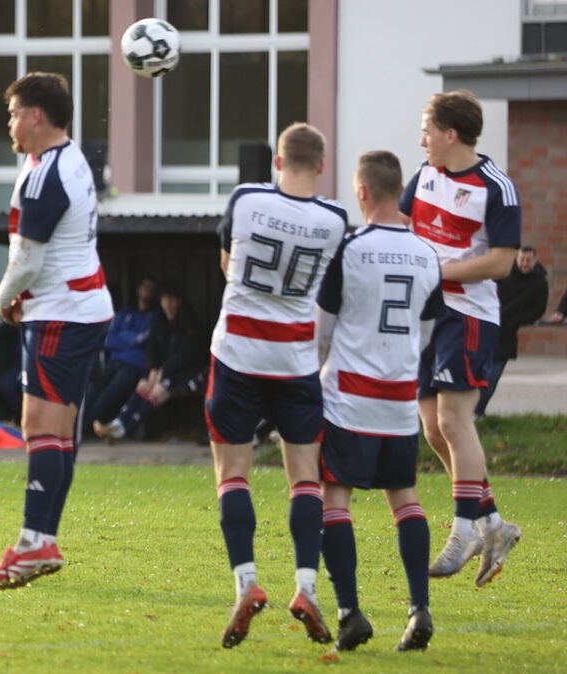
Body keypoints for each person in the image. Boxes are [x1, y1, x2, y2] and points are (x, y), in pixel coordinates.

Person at [207, 122, 347, 648]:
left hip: (238, 352)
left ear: (277, 162)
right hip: (294, 359)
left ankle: (246, 582)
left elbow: (228, 264)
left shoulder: (247, 199)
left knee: (232, 474)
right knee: (305, 477)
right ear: (322, 166)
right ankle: (306, 587)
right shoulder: (335, 218)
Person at [0, 72, 113, 591]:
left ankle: (35, 542)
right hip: (82, 306)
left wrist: (3, 298)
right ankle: (42, 540)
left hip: (60, 312)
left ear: (36, 116)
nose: (10, 123)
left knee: (39, 428)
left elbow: (29, 261)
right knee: (59, 431)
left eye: (14, 114)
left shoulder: (44, 175)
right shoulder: (70, 157)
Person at [316, 150, 445, 653]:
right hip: (399, 399)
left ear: (362, 191)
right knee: (405, 498)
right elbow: (427, 334)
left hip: (349, 396)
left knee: (335, 499)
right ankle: (419, 609)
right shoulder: (427, 254)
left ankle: (349, 612)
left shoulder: (349, 250)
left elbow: (322, 332)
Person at [399, 90, 523, 586]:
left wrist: (438, 271)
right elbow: (402, 229)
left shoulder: (496, 187)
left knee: (453, 419)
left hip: (468, 315)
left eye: (427, 131)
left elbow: (503, 262)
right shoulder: (423, 175)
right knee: (432, 428)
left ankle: (464, 530)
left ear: (451, 134)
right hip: (425, 315)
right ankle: (493, 523)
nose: (421, 140)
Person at [93, 286, 206, 441]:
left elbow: (186, 355)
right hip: (160, 371)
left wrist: (163, 370)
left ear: (179, 301)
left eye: (172, 299)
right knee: (143, 385)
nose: (168, 303)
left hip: (184, 372)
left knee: (156, 391)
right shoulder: (159, 321)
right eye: (165, 299)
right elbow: (151, 349)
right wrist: (152, 369)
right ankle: (119, 423)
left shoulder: (189, 322)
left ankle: (124, 429)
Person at [475, 246, 547, 417]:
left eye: (528, 260)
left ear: (535, 260)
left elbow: (538, 310)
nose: (525, 263)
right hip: (486, 330)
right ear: (516, 259)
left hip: (507, 334)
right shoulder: (503, 274)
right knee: (476, 376)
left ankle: (478, 412)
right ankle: (469, 412)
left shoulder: (539, 283)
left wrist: (516, 320)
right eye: (522, 259)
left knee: (492, 378)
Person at [82, 277, 158, 433]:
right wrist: (131, 341)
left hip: (135, 365)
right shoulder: (125, 313)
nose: (148, 291)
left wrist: (124, 338)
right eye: (145, 287)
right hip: (114, 360)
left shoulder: (156, 316)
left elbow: (143, 338)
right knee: (92, 388)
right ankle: (74, 425)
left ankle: (83, 428)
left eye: (151, 288)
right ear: (138, 290)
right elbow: (109, 340)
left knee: (108, 395)